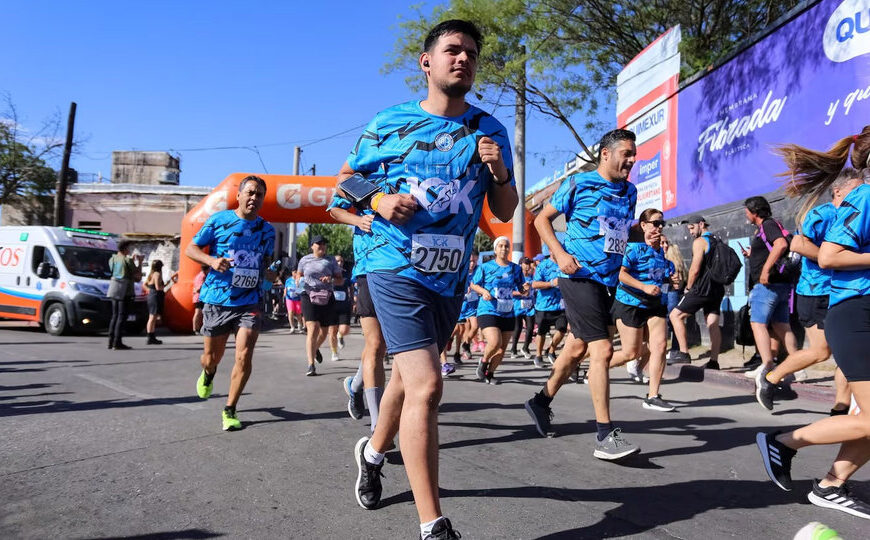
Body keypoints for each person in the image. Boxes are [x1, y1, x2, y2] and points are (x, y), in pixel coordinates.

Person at [341, 19, 517, 540]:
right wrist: (377, 199)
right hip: (392, 263)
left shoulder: (490, 130)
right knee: (428, 383)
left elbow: (504, 211)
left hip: (448, 274)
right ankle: (432, 524)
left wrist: (500, 171)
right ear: (428, 62)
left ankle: (372, 454)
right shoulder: (390, 122)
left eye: (470, 54)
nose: (462, 59)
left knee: (404, 381)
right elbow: (345, 180)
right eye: (452, 51)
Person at [757, 127, 870, 520]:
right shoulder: (865, 197)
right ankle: (784, 442)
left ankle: (831, 486)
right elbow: (830, 257)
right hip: (856, 313)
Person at [525, 128, 640, 461]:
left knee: (576, 349)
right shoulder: (579, 184)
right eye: (626, 154)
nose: (631, 160)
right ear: (606, 154)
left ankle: (540, 401)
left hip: (607, 281)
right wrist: (560, 255)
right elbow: (540, 221)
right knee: (601, 349)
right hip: (578, 276)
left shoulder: (630, 191)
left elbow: (616, 234)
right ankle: (605, 435)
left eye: (634, 154)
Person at [754, 168, 863, 411]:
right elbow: (798, 243)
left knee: (847, 354)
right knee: (821, 351)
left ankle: (840, 408)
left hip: (844, 291)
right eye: (856, 189)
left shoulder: (858, 215)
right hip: (816, 293)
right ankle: (770, 378)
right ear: (838, 191)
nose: (862, 194)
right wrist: (831, 259)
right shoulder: (822, 214)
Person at [185, 175, 277, 431]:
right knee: (211, 357)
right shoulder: (218, 221)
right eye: (249, 193)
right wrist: (213, 261)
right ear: (238, 195)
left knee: (244, 355)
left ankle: (230, 408)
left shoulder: (267, 230)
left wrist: (270, 275)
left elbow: (266, 265)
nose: (254, 198)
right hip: (217, 298)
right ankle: (209, 372)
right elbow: (191, 249)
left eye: (259, 194)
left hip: (250, 301)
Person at [328, 189, 388, 427]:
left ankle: (355, 385)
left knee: (381, 345)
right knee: (375, 344)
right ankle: (378, 424)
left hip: (404, 270)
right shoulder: (366, 174)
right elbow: (335, 209)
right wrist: (359, 220)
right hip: (370, 267)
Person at [608, 209, 676, 411]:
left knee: (661, 346)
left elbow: (662, 279)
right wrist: (644, 286)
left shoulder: (663, 255)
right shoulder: (634, 249)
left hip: (654, 305)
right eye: (655, 223)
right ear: (644, 225)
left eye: (662, 223)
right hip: (630, 303)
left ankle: (653, 396)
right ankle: (597, 366)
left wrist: (672, 281)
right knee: (631, 353)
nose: (659, 227)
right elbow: (621, 275)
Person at [741, 196, 799, 385]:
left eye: (747, 211)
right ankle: (797, 367)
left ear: (755, 212)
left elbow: (780, 244)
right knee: (782, 326)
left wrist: (765, 270)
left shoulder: (767, 225)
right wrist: (753, 254)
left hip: (767, 284)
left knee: (758, 324)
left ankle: (766, 365)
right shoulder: (770, 226)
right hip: (781, 285)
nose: (746, 215)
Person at [469, 236, 528, 384]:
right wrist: (483, 292)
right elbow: (474, 285)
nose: (504, 248)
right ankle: (483, 362)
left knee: (502, 349)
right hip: (488, 309)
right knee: (495, 342)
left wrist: (524, 289)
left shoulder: (515, 268)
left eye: (506, 246)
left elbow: (521, 287)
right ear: (495, 249)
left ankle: (490, 373)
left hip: (507, 311)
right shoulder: (485, 267)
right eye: (500, 246)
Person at [668, 216, 725, 369]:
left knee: (675, 315)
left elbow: (694, 269)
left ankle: (683, 353)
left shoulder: (700, 242)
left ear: (701, 224)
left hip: (701, 287)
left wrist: (688, 288)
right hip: (717, 288)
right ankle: (714, 361)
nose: (691, 232)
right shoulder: (717, 240)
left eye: (692, 228)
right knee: (712, 323)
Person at [297, 235, 344, 376]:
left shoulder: (330, 260)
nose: (322, 246)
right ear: (312, 246)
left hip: (326, 296)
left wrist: (330, 279)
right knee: (312, 328)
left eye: (324, 244)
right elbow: (298, 275)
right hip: (308, 295)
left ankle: (315, 348)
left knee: (324, 332)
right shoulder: (304, 260)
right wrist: (298, 280)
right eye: (319, 244)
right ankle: (311, 365)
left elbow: (340, 280)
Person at [531, 254, 567, 368]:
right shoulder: (543, 265)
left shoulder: (565, 264)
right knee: (541, 332)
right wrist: (551, 283)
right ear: (551, 250)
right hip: (544, 306)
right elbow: (535, 284)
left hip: (560, 306)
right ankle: (538, 355)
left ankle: (551, 350)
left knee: (562, 329)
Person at [107, 240, 142, 350]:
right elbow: (138, 277)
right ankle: (117, 342)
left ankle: (110, 341)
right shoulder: (127, 260)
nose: (130, 250)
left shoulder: (112, 259)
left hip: (114, 289)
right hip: (125, 291)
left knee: (114, 316)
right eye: (129, 248)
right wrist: (139, 262)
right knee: (121, 316)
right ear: (125, 249)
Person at [661, 235, 687, 360]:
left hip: (671, 292)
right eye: (662, 243)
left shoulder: (672, 257)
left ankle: (676, 349)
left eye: (666, 242)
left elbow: (679, 278)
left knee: (672, 320)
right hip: (660, 293)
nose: (665, 245)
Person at [143, 259, 178, 345]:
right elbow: (158, 288)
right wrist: (165, 287)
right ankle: (150, 337)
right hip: (155, 296)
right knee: (152, 317)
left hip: (152, 295)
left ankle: (151, 336)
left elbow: (144, 285)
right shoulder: (157, 274)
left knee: (152, 317)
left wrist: (149, 291)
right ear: (160, 267)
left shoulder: (151, 274)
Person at [509, 256, 536, 360]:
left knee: (530, 328)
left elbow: (534, 291)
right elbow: (510, 292)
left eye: (528, 263)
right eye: (525, 263)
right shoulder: (516, 278)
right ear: (520, 265)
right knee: (517, 328)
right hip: (517, 307)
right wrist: (521, 292)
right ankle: (513, 349)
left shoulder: (532, 278)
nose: (527, 265)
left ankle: (525, 348)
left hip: (529, 307)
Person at [328, 253, 353, 361]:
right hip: (331, 305)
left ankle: (340, 335)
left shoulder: (346, 275)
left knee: (344, 329)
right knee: (332, 330)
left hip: (344, 305)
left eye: (341, 261)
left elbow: (351, 287)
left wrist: (352, 299)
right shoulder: (329, 273)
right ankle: (334, 352)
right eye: (337, 261)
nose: (340, 263)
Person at [457, 252, 480, 362]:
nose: (472, 264)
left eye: (474, 261)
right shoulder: (461, 271)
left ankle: (466, 344)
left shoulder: (479, 271)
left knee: (475, 326)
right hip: (463, 304)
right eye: (470, 261)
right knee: (464, 328)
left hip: (474, 304)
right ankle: (464, 349)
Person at [284, 269, 304, 333]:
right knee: (291, 312)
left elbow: (302, 288)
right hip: (289, 298)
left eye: (296, 272)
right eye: (294, 272)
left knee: (298, 313)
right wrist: (284, 294)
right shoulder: (288, 280)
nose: (295, 273)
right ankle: (292, 327)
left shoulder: (300, 280)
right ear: (292, 273)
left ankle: (300, 326)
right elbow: (286, 288)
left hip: (298, 298)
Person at [192, 264, 209, 333]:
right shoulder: (202, 276)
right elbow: (198, 289)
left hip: (199, 297)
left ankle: (197, 328)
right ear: (206, 269)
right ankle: (195, 328)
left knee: (200, 313)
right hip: (199, 298)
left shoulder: (200, 275)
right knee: (198, 313)